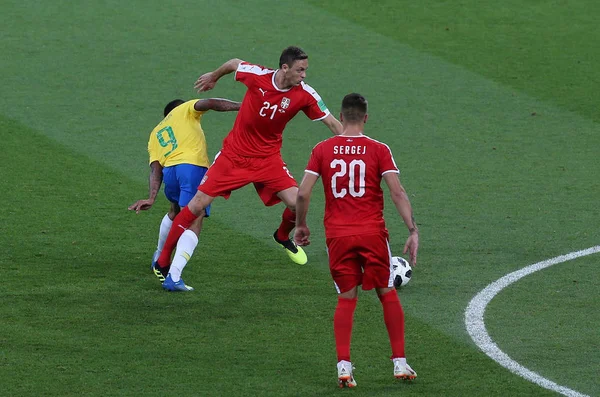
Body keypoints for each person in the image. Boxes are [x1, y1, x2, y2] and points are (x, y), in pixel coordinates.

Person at [153, 46, 343, 275]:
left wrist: (359, 146)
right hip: (234, 156)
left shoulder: (305, 94)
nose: (304, 75)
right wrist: (213, 76)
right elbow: (234, 62)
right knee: (196, 205)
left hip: (268, 160)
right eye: (300, 70)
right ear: (285, 68)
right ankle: (163, 260)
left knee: (298, 202)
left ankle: (281, 236)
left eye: (305, 70)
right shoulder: (258, 76)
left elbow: (333, 123)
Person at [293, 93, 419, 388]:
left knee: (346, 298)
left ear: (341, 114)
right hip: (372, 233)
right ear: (365, 117)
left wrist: (301, 225)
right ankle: (399, 363)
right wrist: (412, 230)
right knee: (387, 292)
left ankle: (344, 368)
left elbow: (301, 193)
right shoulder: (379, 149)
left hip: (337, 235)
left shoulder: (322, 149)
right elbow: (397, 192)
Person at [129, 98, 241, 291]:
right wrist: (242, 106)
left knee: (174, 211)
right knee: (194, 218)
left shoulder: (156, 132)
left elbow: (155, 168)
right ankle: (173, 275)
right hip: (191, 168)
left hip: (170, 173)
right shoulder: (185, 110)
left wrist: (151, 197)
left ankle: (158, 256)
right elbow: (211, 103)